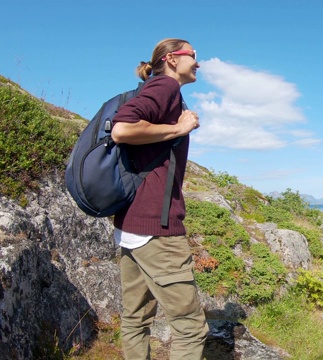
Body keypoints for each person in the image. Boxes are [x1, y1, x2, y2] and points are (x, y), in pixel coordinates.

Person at [110, 38, 208, 360]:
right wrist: (179, 129)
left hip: (132, 224)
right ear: (170, 58)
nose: (197, 62)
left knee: (135, 319)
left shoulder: (158, 90)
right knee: (190, 328)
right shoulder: (165, 87)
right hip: (157, 229)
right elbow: (122, 129)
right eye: (192, 55)